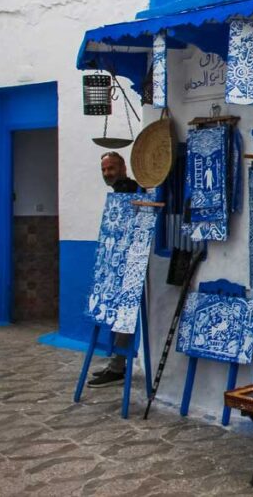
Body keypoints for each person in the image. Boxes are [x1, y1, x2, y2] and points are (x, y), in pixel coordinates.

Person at [88, 151, 139, 388]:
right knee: (117, 316)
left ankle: (117, 366)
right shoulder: (118, 191)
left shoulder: (129, 190)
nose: (107, 173)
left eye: (111, 168)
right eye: (104, 170)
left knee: (124, 318)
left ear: (123, 168)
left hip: (130, 266)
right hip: (115, 264)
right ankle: (116, 365)